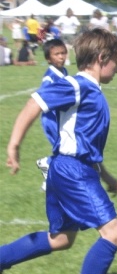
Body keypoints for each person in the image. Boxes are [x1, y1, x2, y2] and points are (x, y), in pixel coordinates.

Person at [2, 28, 117, 274]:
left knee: (60, 239)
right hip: (73, 172)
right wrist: (14, 145)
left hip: (68, 168)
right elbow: (35, 102)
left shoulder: (92, 91)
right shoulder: (78, 85)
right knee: (113, 233)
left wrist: (105, 175)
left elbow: (84, 144)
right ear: (101, 58)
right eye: (115, 62)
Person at [35, 39, 69, 191]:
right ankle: (46, 163)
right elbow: (43, 98)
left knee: (64, 150)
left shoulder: (64, 72)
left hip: (60, 119)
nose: (61, 57)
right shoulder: (49, 78)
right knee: (64, 150)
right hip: (51, 120)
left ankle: (50, 180)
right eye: (57, 54)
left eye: (63, 53)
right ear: (49, 59)